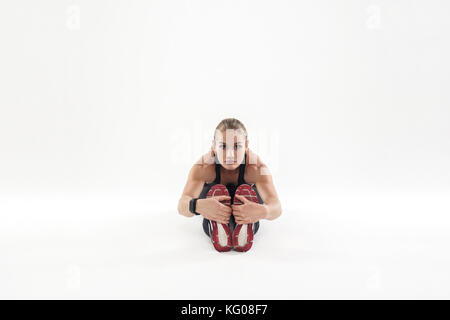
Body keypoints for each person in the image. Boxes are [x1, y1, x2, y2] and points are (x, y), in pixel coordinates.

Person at [177, 118, 282, 252]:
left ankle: (247, 223)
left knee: (250, 193)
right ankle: (213, 222)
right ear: (214, 146)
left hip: (247, 203)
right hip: (213, 201)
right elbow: (181, 206)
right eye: (223, 146)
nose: (230, 154)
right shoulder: (203, 167)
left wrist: (263, 211)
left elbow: (277, 207)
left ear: (246, 145)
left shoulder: (256, 168)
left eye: (237, 146)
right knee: (210, 193)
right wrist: (198, 205)